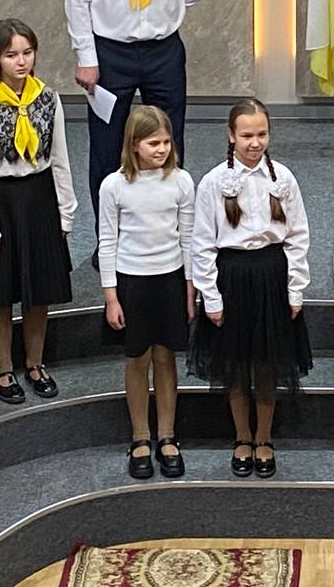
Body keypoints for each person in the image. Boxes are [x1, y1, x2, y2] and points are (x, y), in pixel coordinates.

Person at [65, 0, 216, 255]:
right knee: (107, 147)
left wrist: (168, 3)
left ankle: (170, 236)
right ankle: (109, 243)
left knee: (168, 142)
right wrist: (86, 58)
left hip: (164, 51)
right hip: (109, 53)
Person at [0, 19, 77, 402]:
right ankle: (4, 367)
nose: (21, 61)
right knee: (1, 293)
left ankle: (35, 363)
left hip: (39, 200)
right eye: (11, 55)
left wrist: (65, 211)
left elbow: (60, 159)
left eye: (27, 52)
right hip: (1, 202)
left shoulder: (48, 99)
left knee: (39, 292)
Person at [188, 98, 312, 479]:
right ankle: (242, 436)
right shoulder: (213, 182)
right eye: (246, 135)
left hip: (271, 276)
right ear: (231, 135)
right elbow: (202, 243)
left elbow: (298, 236)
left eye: (261, 134)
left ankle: (264, 437)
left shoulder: (283, 179)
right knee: (236, 364)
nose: (255, 143)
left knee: (267, 363)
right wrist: (210, 296)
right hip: (232, 277)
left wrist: (295, 289)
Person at [98, 105, 196, 478]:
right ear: (134, 144)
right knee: (137, 359)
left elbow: (188, 237)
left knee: (166, 358)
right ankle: (140, 435)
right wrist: (111, 296)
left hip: (170, 279)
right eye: (153, 143)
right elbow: (108, 241)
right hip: (131, 282)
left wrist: (189, 288)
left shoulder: (181, 182)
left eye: (166, 142)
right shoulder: (114, 186)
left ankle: (167, 435)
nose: (162, 149)